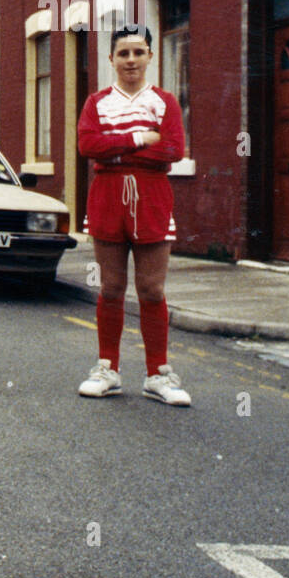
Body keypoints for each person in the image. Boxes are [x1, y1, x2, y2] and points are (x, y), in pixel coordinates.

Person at [76, 24, 190, 406]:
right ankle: (107, 368)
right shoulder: (96, 102)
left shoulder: (165, 101)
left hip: (152, 196)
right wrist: (141, 138)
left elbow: (173, 149)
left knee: (152, 289)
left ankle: (157, 372)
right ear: (111, 59)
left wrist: (115, 150)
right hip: (108, 196)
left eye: (138, 52)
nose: (130, 60)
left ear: (150, 57)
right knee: (110, 287)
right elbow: (88, 145)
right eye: (123, 53)